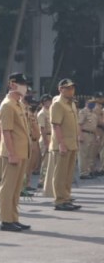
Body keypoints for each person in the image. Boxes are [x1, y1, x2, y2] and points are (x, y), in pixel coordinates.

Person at [0, 74, 32, 231]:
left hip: (21, 151)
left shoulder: (18, 104)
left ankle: (14, 217)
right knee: (8, 187)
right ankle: (6, 220)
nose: (24, 87)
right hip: (13, 153)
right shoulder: (7, 105)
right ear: (12, 84)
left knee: (17, 188)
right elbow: (6, 132)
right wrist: (11, 153)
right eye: (21, 83)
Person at [50, 79, 81, 211]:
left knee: (68, 174)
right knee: (60, 174)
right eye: (67, 88)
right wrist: (61, 144)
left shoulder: (72, 104)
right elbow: (56, 125)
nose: (71, 90)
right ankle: (59, 200)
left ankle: (66, 197)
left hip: (72, 144)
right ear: (60, 89)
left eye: (72, 88)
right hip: (62, 145)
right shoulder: (58, 104)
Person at [78, 98, 98, 179]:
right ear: (86, 103)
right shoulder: (83, 112)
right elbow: (79, 124)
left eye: (94, 103)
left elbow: (94, 126)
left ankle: (89, 171)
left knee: (91, 155)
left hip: (92, 135)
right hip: (85, 134)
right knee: (83, 155)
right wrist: (80, 135)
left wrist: (97, 136)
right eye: (91, 103)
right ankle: (83, 173)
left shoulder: (94, 114)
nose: (92, 104)